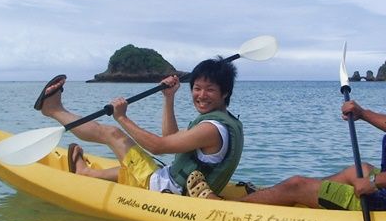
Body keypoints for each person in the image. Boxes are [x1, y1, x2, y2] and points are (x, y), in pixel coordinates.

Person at [186, 39, 386, 210]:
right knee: (360, 168)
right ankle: (279, 197)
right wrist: (364, 113)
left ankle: (229, 209)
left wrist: (375, 182)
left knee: (296, 184)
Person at [34, 58, 243, 196]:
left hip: (163, 190)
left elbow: (158, 146)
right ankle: (86, 173)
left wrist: (122, 118)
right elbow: (170, 137)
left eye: (210, 90)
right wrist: (168, 98)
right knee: (136, 165)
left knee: (113, 134)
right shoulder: (225, 123)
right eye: (197, 88)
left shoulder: (210, 129)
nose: (201, 95)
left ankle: (53, 109)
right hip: (173, 184)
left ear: (225, 93)